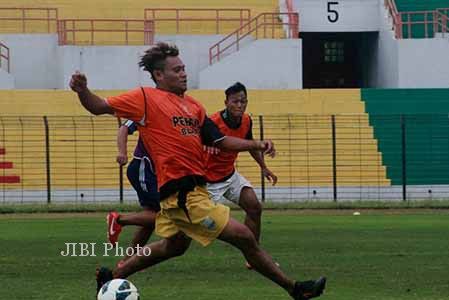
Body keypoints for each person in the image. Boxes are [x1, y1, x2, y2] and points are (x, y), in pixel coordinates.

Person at [69, 42, 326, 300]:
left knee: (173, 247)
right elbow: (99, 106)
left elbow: (220, 141)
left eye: (184, 68)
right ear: (159, 75)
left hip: (193, 191)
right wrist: (82, 91)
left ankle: (112, 278)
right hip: (183, 195)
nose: (183, 73)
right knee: (245, 237)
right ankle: (295, 289)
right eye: (177, 69)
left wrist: (255, 143)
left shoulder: (193, 106)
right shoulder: (145, 98)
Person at [206, 82, 277, 269]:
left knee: (254, 207)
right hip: (208, 183)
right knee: (182, 236)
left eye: (243, 101)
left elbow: (249, 143)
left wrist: (264, 167)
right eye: (235, 101)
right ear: (226, 102)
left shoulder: (246, 120)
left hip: (230, 176)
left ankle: (254, 257)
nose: (240, 105)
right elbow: (195, 144)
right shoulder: (212, 122)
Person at [106, 119, 160, 265]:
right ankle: (118, 219)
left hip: (156, 173)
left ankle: (126, 262)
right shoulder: (146, 106)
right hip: (145, 170)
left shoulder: (177, 110)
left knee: (149, 220)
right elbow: (124, 127)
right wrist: (122, 152)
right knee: (166, 215)